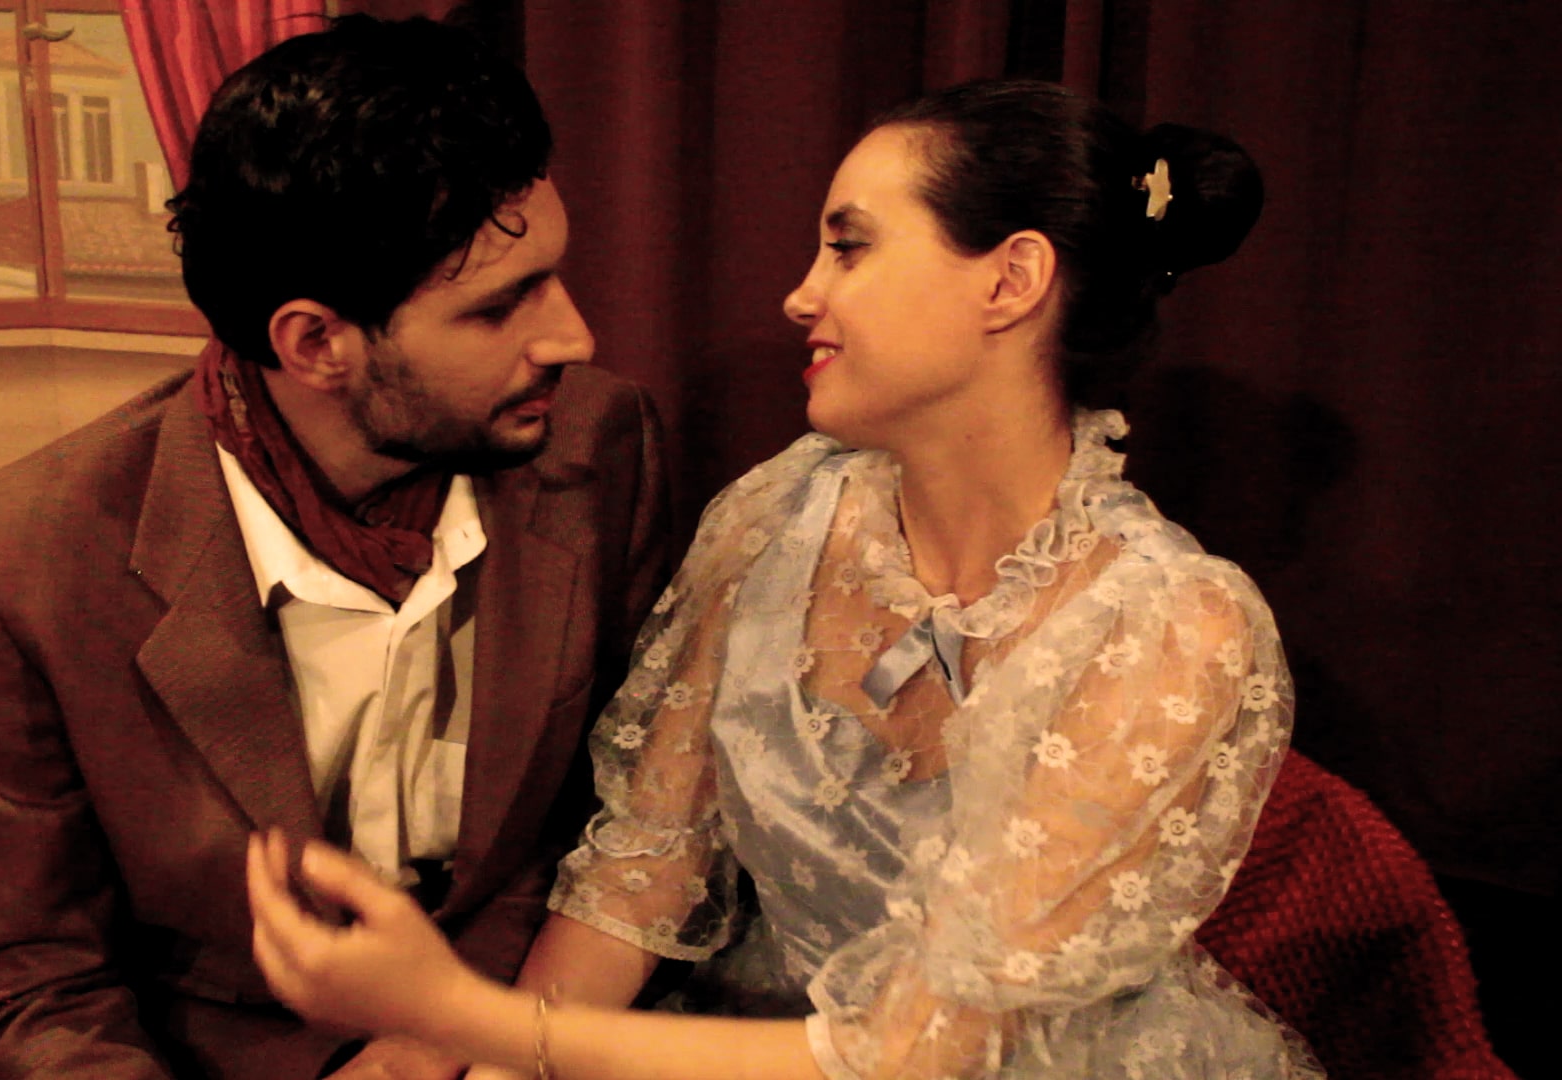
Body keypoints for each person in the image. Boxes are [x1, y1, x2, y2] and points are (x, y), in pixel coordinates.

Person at [244, 79, 1328, 1079]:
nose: (800, 296)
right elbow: (642, 873)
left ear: (1011, 281)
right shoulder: (782, 515)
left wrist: (458, 1017)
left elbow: (919, 1057)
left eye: (849, 248)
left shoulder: (1172, 624)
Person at [0, 15, 671, 1079]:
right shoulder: (26, 555)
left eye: (552, 276)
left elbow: (614, 822)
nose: (573, 337)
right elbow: (32, 981)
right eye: (500, 306)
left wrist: (444, 1038)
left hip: (525, 1009)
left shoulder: (601, 444)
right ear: (316, 343)